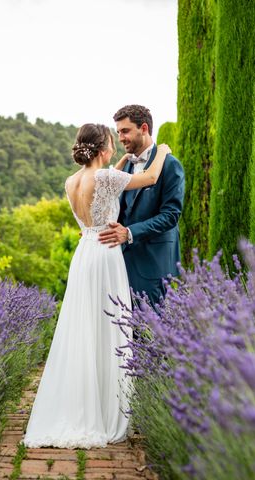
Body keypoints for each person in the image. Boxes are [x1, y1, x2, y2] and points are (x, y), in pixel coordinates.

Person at [22, 123, 171, 449]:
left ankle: (81, 403)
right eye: (111, 144)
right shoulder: (105, 178)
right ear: (102, 148)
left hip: (85, 253)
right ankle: (104, 410)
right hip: (106, 256)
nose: (115, 149)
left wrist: (112, 165)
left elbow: (107, 181)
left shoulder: (72, 181)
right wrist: (162, 151)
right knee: (108, 326)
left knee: (84, 326)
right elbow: (150, 178)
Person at [98, 105, 185, 306]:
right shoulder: (126, 165)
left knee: (150, 332)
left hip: (153, 265)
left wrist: (129, 232)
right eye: (118, 132)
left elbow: (171, 215)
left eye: (125, 131)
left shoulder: (170, 165)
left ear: (143, 128)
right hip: (119, 264)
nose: (120, 138)